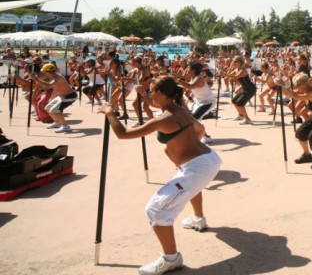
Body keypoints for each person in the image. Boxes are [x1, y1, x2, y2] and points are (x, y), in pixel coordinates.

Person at [98, 76, 222, 275]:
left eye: (151, 92)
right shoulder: (181, 109)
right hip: (208, 159)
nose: (149, 95)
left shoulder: (164, 119)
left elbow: (123, 134)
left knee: (156, 210)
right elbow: (200, 129)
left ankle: (171, 259)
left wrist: (111, 112)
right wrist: (186, 147)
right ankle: (199, 219)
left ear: (162, 94)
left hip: (198, 167)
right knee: (187, 186)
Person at [282, 72, 312, 170]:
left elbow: (296, 96)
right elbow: (293, 93)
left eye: (298, 86)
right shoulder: (305, 89)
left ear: (304, 84)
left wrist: (284, 85)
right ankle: (307, 155)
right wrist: (283, 87)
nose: (298, 88)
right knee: (300, 133)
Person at [30, 63, 78, 133]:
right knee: (48, 107)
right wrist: (52, 98)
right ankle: (57, 122)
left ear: (46, 72)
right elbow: (56, 88)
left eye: (43, 71)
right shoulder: (53, 77)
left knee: (54, 110)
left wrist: (36, 79)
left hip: (70, 96)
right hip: (62, 96)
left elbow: (48, 86)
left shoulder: (59, 78)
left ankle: (65, 126)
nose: (42, 73)